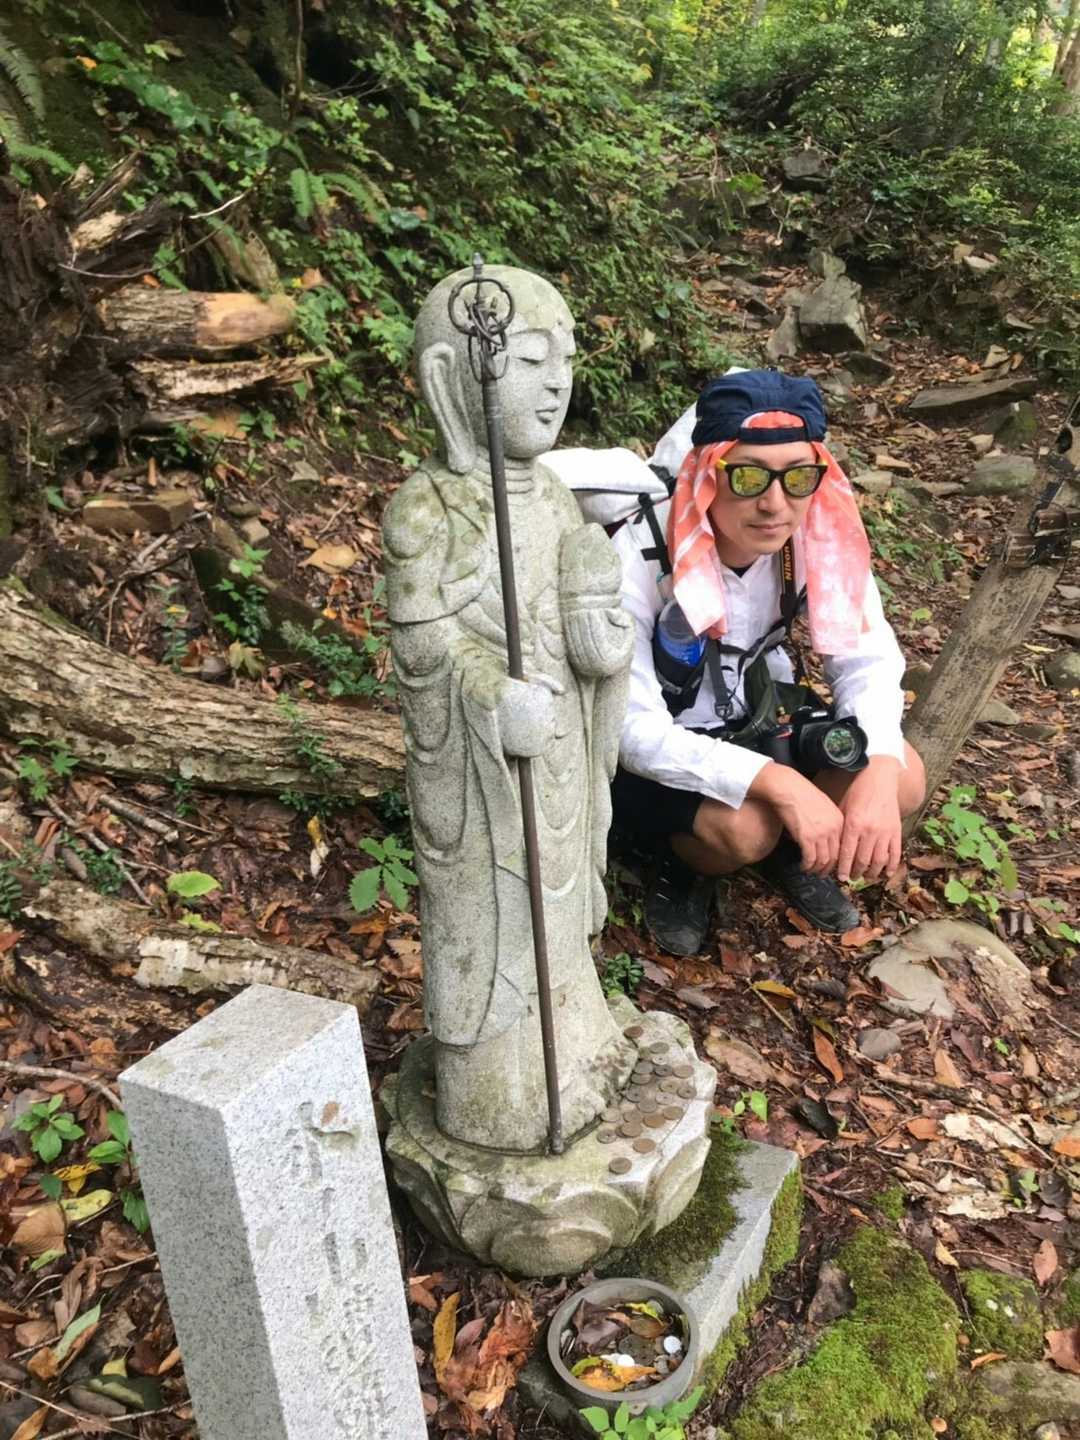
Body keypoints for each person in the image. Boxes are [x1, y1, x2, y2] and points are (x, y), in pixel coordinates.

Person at [610, 369, 926, 956]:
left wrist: (880, 767)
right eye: (749, 476)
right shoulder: (642, 552)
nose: (775, 504)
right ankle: (690, 864)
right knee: (744, 829)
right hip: (672, 734)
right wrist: (778, 783)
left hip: (757, 707)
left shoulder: (816, 536)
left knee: (901, 776)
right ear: (709, 473)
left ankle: (799, 848)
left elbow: (867, 657)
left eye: (799, 477)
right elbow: (629, 727)